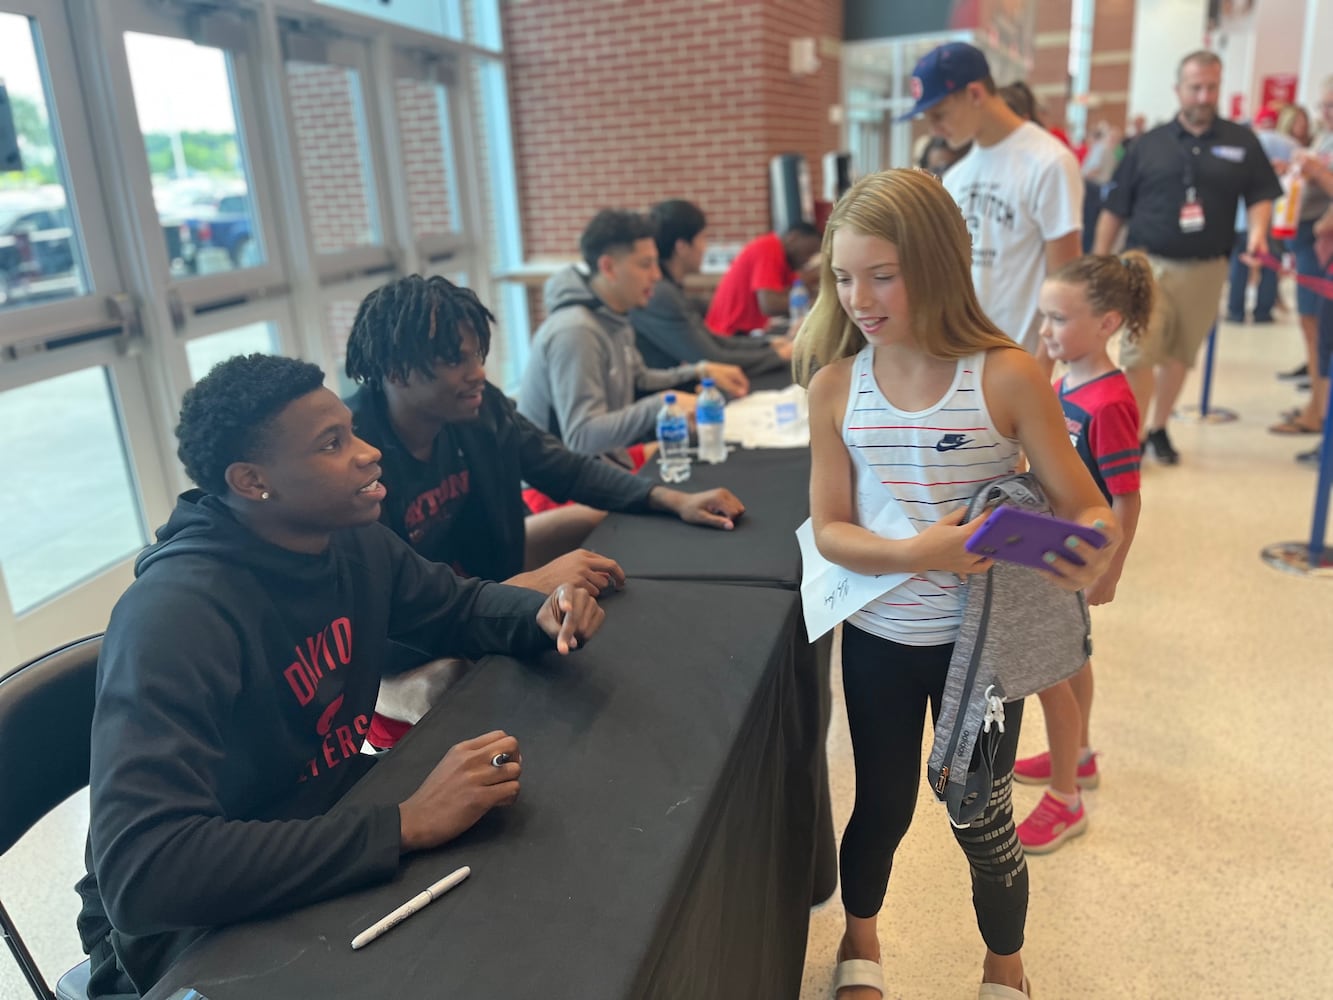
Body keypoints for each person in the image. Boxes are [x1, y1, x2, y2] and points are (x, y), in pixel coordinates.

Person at [75, 354, 605, 999]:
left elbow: (455, 607)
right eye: (333, 444)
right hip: (185, 928)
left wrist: (542, 615)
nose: (369, 452)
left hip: (322, 817)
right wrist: (404, 824)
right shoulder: (176, 615)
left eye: (352, 430)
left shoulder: (348, 540)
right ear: (252, 480)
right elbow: (145, 876)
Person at [795, 169, 1119, 1000]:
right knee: (882, 805)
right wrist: (923, 554)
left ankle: (1003, 964)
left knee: (980, 811)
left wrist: (1089, 545)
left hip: (979, 653)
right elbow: (831, 532)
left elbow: (1087, 507)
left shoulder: (1006, 377)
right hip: (879, 639)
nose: (858, 298)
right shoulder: (836, 387)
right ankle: (860, 942)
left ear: (935, 264)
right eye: (841, 276)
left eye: (880, 275)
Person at [343, 274, 748, 746]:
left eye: (478, 355)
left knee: (590, 524)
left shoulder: (481, 408)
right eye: (456, 360)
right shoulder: (355, 459)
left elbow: (565, 468)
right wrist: (521, 588)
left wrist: (672, 499)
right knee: (452, 678)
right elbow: (385, 612)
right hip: (398, 640)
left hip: (472, 582)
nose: (477, 373)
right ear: (397, 371)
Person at [1013, 252, 1152, 854]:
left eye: (1059, 320)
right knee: (1072, 661)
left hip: (1074, 558)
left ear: (1107, 324)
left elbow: (1127, 499)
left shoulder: (1111, 403)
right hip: (1052, 548)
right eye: (1044, 318)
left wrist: (1109, 571)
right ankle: (1083, 755)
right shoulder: (1068, 379)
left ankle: (1066, 801)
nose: (1046, 332)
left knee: (1052, 674)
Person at [1093, 50, 1282, 464]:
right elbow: (1116, 207)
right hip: (1146, 266)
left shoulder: (1241, 141)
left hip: (1207, 268)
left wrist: (1258, 235)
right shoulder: (1148, 144)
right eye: (1195, 87)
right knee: (1139, 353)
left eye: (1211, 87)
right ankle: (1136, 434)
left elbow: (1261, 195)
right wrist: (1098, 261)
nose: (1203, 95)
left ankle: (1159, 426)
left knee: (1179, 354)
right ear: (1179, 89)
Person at [902, 44, 1083, 375]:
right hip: (960, 362)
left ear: (974, 93)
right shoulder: (956, 177)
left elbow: (1066, 283)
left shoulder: (1049, 162)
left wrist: (1040, 371)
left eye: (939, 114)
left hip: (1020, 364)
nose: (934, 130)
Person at [519, 209, 749, 464]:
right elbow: (581, 437)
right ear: (608, 267)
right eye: (645, 264)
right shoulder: (576, 331)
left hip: (603, 464)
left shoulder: (614, 316)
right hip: (555, 493)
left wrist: (700, 372)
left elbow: (638, 379)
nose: (657, 275)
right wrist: (661, 404)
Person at [631, 199, 793, 376]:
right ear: (682, 247)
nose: (705, 247)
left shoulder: (669, 288)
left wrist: (768, 344)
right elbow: (710, 357)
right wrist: (778, 355)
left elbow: (712, 340)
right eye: (702, 238)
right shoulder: (661, 294)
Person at [1271, 77, 1333, 443]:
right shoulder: (1325, 137)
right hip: (1307, 234)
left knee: (1319, 332)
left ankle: (1318, 412)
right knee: (1310, 327)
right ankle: (1317, 402)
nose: (1325, 113)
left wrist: (1317, 172)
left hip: (1321, 241)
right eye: (1323, 106)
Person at [1226, 106, 1297, 325]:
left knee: (1240, 264)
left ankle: (1236, 311)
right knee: (1270, 264)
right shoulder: (1290, 145)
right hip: (1277, 218)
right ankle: (1263, 312)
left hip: (1244, 217)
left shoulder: (1246, 142)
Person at [703, 221, 823, 336]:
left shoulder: (785, 262)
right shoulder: (769, 248)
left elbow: (795, 287)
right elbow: (770, 305)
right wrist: (820, 304)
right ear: (793, 238)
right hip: (729, 333)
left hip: (744, 332)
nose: (808, 259)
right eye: (809, 252)